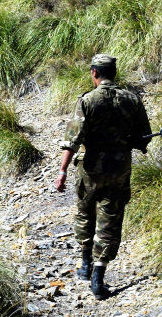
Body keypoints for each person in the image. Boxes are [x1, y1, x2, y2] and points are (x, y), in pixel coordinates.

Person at [55, 54, 152, 300]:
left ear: (94, 73)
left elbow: (71, 142)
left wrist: (62, 171)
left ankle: (85, 264)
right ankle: (98, 279)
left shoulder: (87, 101)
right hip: (118, 169)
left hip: (89, 169)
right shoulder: (132, 100)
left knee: (85, 212)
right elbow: (144, 139)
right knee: (110, 219)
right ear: (114, 73)